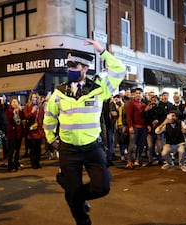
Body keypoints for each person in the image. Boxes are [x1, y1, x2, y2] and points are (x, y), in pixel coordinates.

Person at [43, 39, 126, 225]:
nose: (70, 69)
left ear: (85, 68)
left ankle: (74, 194)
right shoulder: (59, 92)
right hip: (68, 149)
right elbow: (49, 118)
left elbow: (120, 70)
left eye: (75, 65)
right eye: (69, 65)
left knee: (102, 187)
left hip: (92, 148)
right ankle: (83, 221)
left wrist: (102, 50)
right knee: (72, 192)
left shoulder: (99, 89)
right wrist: (51, 139)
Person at [125, 87, 149, 168]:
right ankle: (129, 161)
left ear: (142, 95)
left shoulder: (143, 105)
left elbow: (145, 117)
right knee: (131, 144)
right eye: (137, 93)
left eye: (140, 93)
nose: (138, 95)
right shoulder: (131, 103)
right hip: (134, 127)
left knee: (141, 145)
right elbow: (128, 116)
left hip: (143, 128)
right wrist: (130, 126)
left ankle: (137, 160)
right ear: (134, 95)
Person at [24, 91, 45, 169]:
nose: (34, 99)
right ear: (30, 98)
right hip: (31, 130)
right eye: (33, 97)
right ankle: (33, 163)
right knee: (32, 147)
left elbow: (42, 117)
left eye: (35, 97)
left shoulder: (40, 107)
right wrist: (32, 112)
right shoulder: (27, 106)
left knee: (38, 148)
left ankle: (38, 162)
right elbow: (26, 116)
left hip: (39, 129)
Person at [5, 97, 24, 171]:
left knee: (18, 150)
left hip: (19, 133)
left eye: (16, 102)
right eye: (13, 102)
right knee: (11, 150)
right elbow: (8, 120)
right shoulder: (9, 111)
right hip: (12, 133)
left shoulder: (19, 110)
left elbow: (22, 118)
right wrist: (13, 113)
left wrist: (20, 111)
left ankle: (16, 164)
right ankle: (10, 166)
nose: (15, 103)